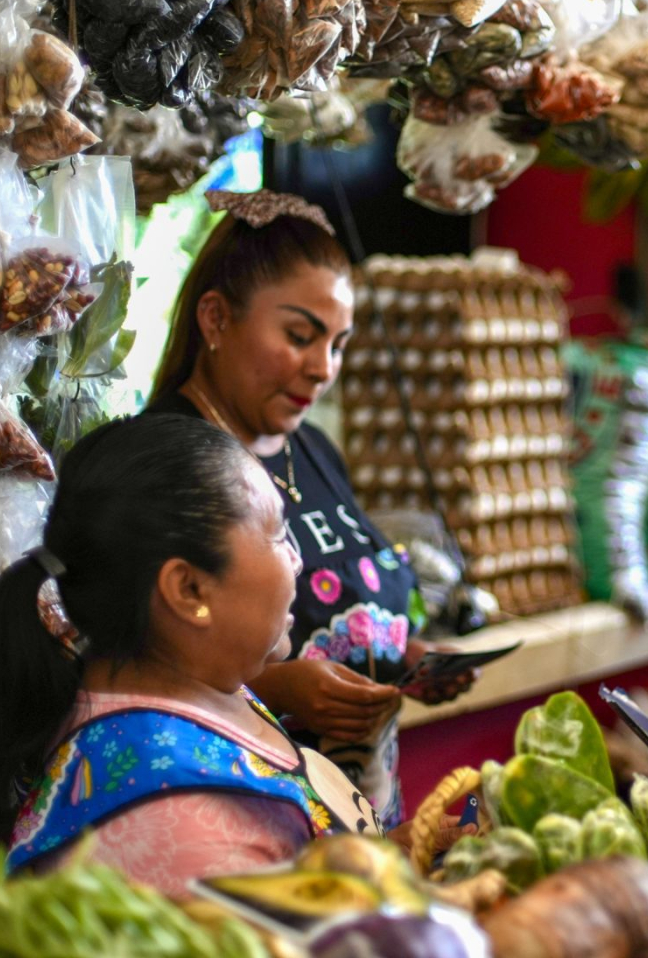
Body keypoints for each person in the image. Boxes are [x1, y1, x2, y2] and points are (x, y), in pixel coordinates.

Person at [0, 415, 463, 897]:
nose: (299, 561)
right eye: (279, 534)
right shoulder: (181, 821)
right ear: (188, 589)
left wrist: (395, 858)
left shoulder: (204, 691)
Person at [145, 188, 474, 833]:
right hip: (242, 825)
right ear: (215, 320)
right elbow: (131, 676)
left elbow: (344, 599)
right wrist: (272, 693)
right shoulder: (165, 460)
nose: (324, 369)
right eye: (300, 336)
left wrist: (401, 658)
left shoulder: (313, 449)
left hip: (361, 825)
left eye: (339, 343)